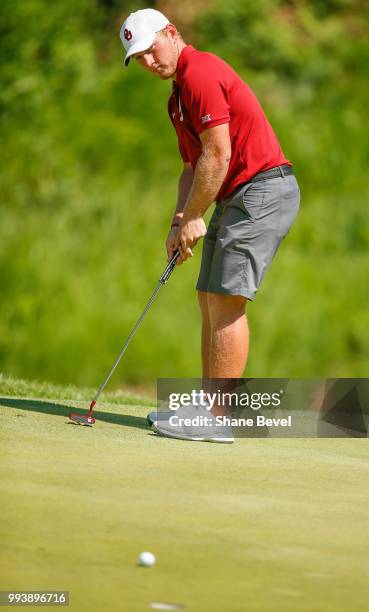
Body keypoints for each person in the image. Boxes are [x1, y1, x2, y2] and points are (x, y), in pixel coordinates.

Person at [120, 9, 300, 443]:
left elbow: (218, 154)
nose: (147, 61)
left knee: (225, 298)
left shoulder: (200, 71)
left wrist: (198, 216)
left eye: (150, 49)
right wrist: (179, 220)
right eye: (137, 57)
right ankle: (206, 406)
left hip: (260, 189)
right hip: (237, 194)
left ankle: (218, 418)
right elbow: (192, 166)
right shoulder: (177, 98)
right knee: (208, 295)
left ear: (172, 33)